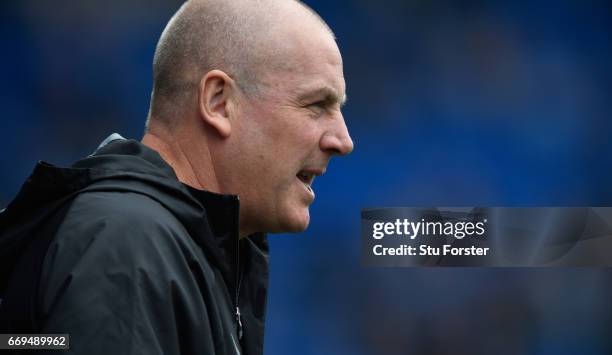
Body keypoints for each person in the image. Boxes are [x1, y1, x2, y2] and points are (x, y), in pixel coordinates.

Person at [0, 0, 353, 354]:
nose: (343, 141)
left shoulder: (184, 245)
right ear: (219, 102)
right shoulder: (128, 241)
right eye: (316, 105)